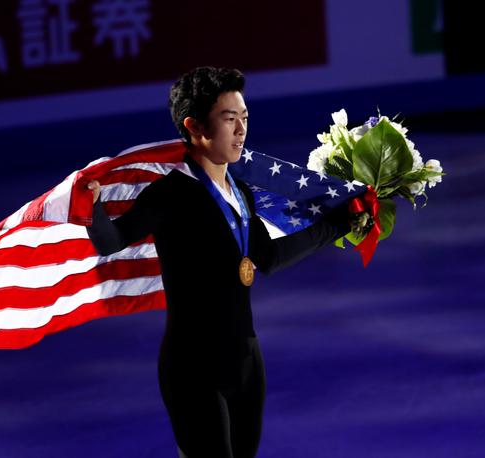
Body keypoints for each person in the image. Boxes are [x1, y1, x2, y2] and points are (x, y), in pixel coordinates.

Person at [85, 67, 352, 458]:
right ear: (195, 127)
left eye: (244, 118)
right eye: (230, 120)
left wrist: (339, 224)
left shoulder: (240, 191)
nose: (241, 129)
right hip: (192, 367)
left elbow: (269, 257)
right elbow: (112, 241)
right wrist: (92, 209)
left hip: (246, 361)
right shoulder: (171, 194)